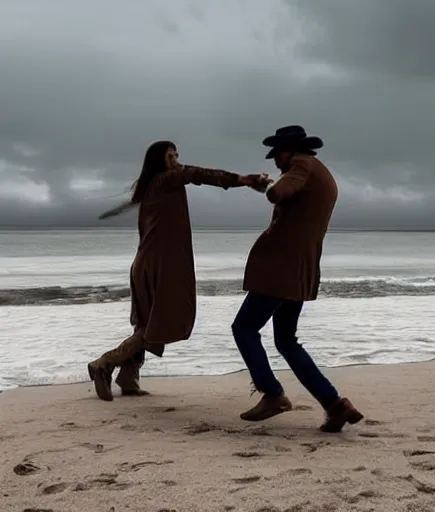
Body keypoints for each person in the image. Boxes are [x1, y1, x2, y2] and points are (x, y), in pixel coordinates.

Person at [88, 140, 269, 401]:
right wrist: (245, 179)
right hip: (159, 263)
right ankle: (104, 363)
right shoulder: (164, 181)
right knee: (155, 324)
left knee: (148, 322)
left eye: (177, 155)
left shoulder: (151, 187)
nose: (176, 160)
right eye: (170, 157)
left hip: (146, 262)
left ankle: (128, 376)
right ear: (159, 162)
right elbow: (199, 174)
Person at [231, 125, 364, 432]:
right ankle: (335, 404)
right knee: (286, 340)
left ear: (289, 151)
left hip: (281, 267)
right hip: (302, 267)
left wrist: (268, 185)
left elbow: (279, 192)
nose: (275, 162)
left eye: (277, 155)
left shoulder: (302, 165)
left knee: (244, 328)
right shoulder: (323, 173)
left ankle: (272, 393)